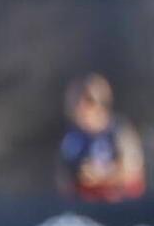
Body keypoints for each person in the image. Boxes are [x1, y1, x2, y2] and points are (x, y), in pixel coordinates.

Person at [57, 75, 146, 203]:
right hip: (84, 207)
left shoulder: (119, 130)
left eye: (80, 104)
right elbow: (64, 178)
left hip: (119, 204)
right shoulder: (72, 136)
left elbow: (133, 172)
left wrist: (102, 176)